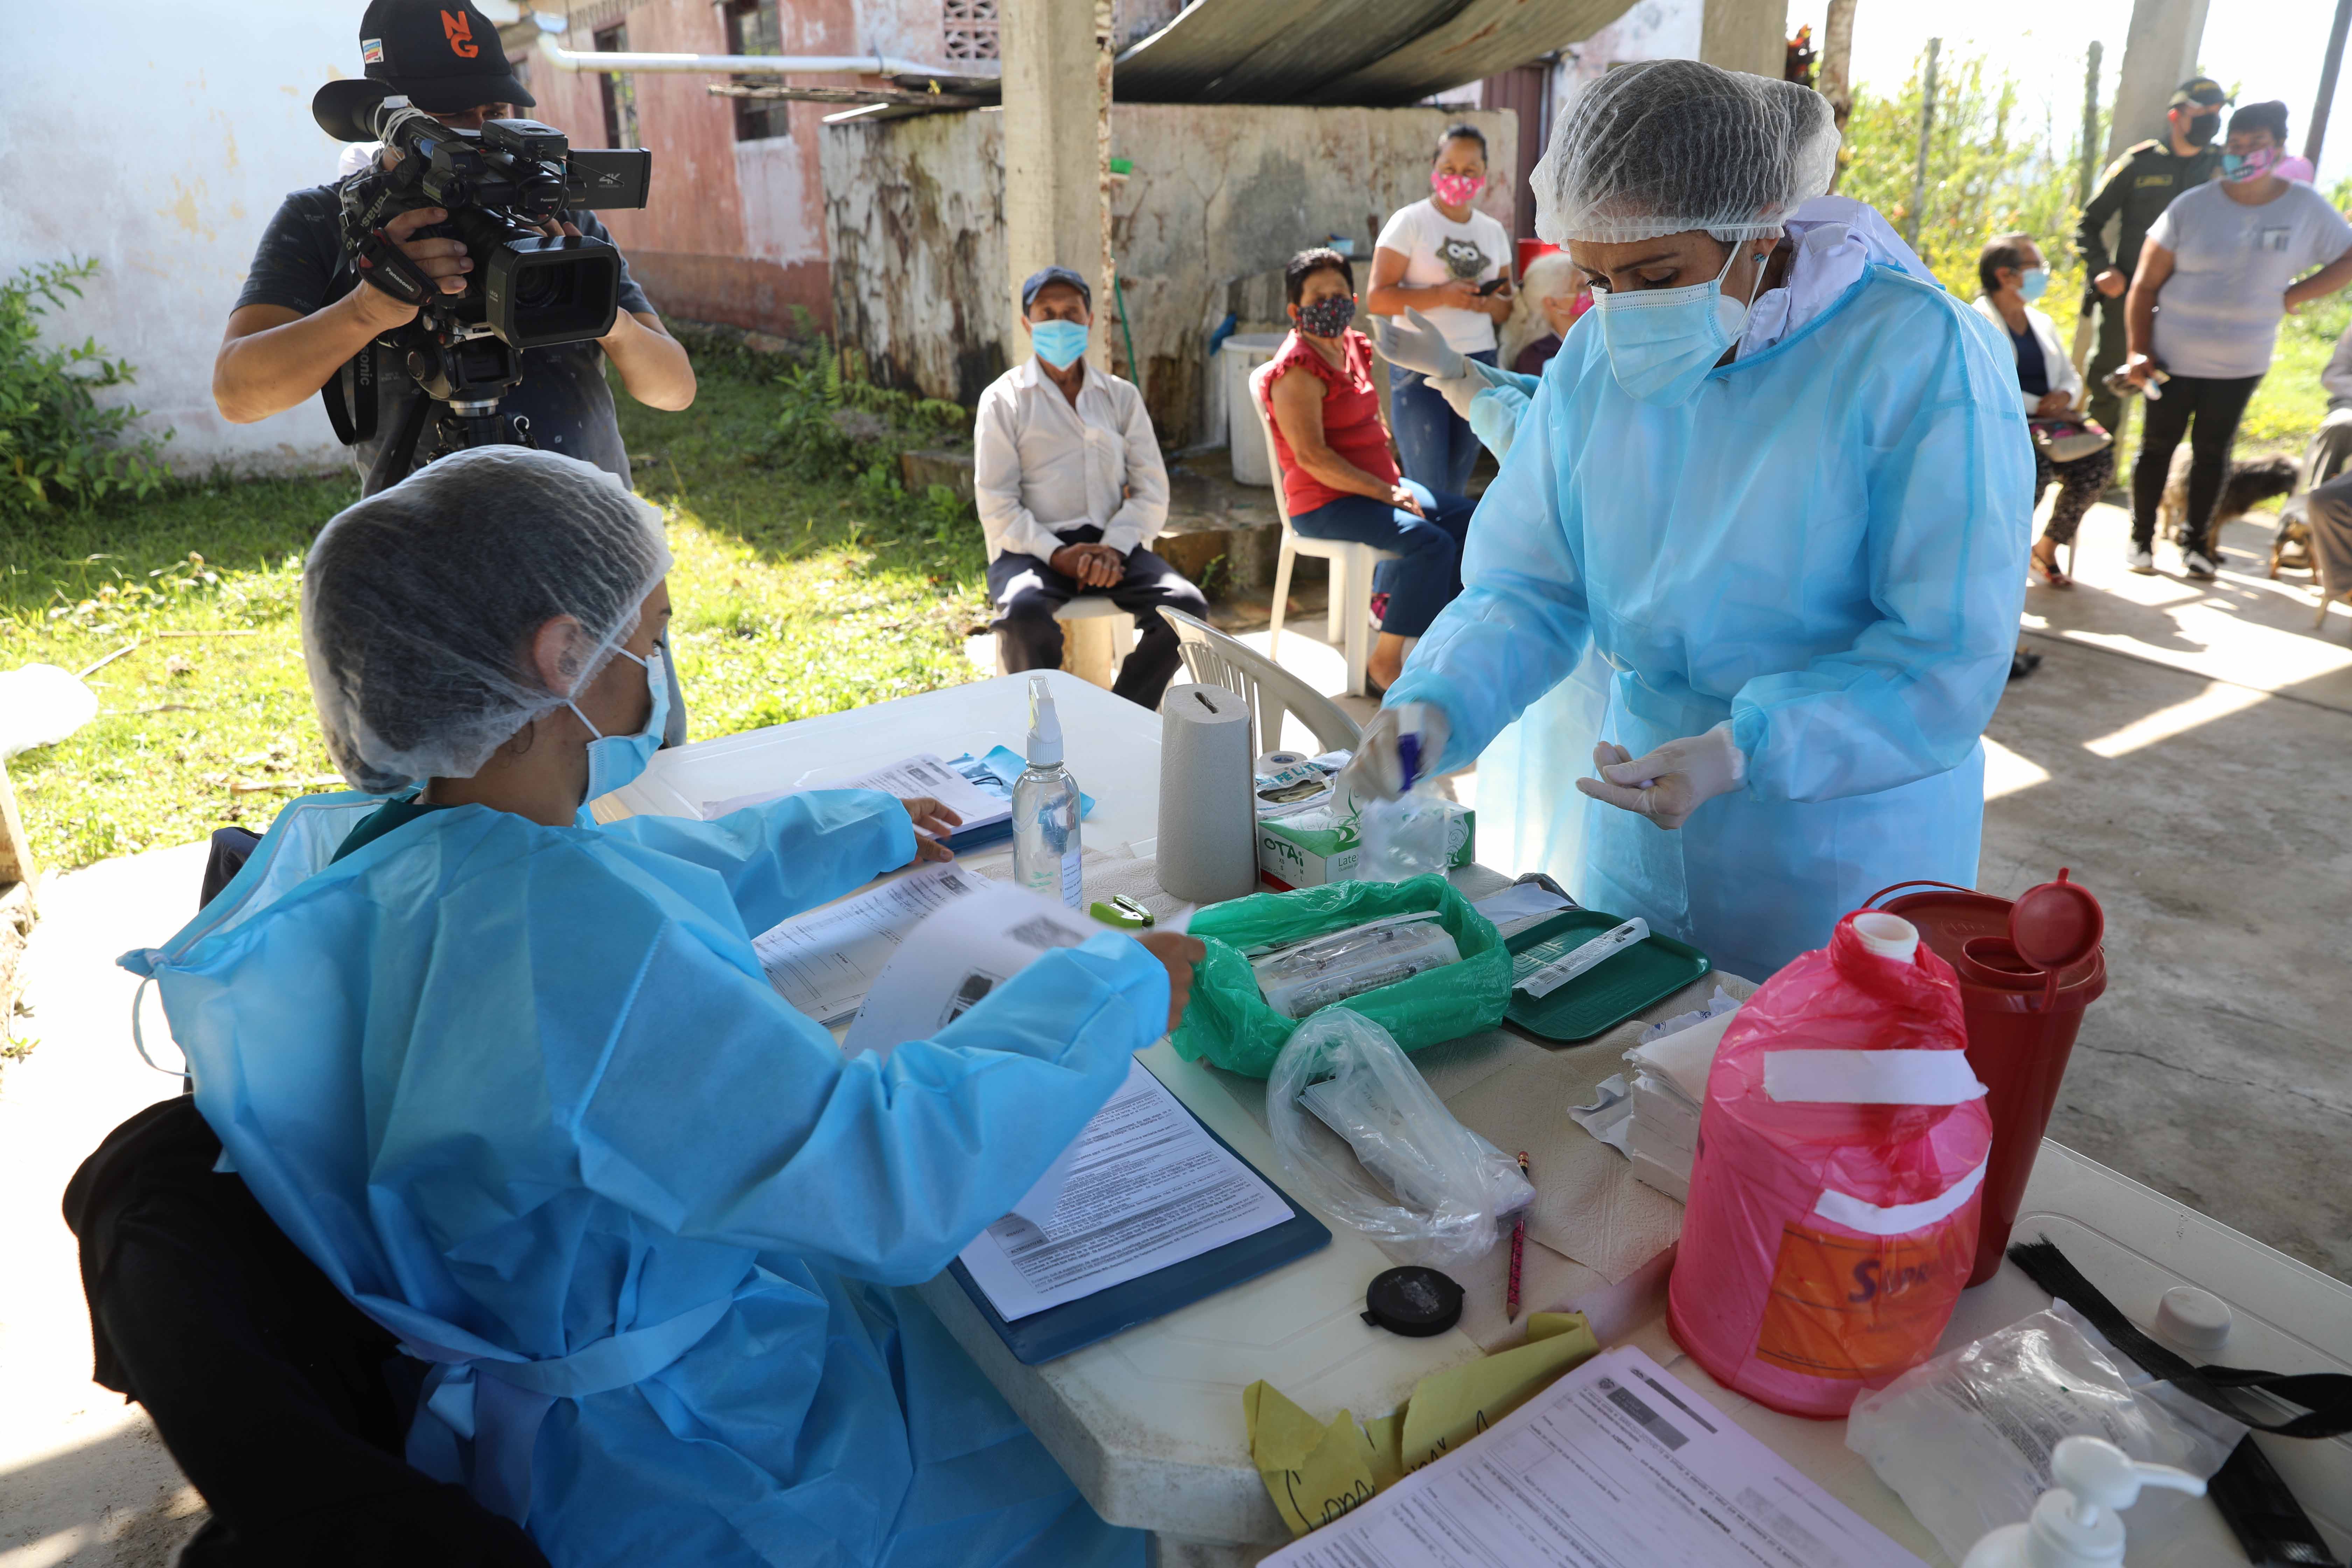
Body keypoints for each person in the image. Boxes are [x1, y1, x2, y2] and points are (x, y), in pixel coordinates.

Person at [122, 447, 1201, 1568]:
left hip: (563, 1373)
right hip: (694, 1467)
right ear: (562, 654)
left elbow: (643, 871)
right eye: (651, 633)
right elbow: (887, 1174)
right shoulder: (579, 944)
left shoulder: (390, 854)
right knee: (1101, 1473)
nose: (659, 668)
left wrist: (851, 829)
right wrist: (1106, 986)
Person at [1340, 60, 2032, 984]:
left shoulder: (1913, 357)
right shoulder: (1594, 361)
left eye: (1657, 273)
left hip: (1834, 840)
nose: (1624, 311)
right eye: (1598, 279)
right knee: (1623, 1069)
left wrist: (1745, 749)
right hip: (1640, 814)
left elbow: (1944, 655)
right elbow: (1533, 585)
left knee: (1794, 1090)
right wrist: (1435, 708)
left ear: (1761, 232)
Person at [213, 0, 696, 496]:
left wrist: (600, 312)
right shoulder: (323, 221)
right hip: (419, 549)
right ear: (389, 118)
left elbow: (675, 389)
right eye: (451, 113)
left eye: (495, 111)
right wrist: (367, 310)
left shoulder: (556, 216)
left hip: (591, 539)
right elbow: (238, 395)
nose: (481, 130)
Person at [2124, 99, 2352, 578]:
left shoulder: (2303, 206)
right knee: (2157, 446)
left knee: (2214, 450)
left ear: (2279, 150)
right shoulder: (2193, 206)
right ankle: (2141, 540)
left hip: (2241, 362)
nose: (2243, 153)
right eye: (2235, 145)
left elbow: (2348, 255)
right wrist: (2138, 349)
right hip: (2171, 355)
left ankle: (2196, 545)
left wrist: (2297, 295)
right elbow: (2144, 285)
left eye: (2256, 145)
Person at [974, 266, 1203, 708]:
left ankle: (1119, 714)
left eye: (1071, 312)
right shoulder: (1004, 399)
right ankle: (1043, 731)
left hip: (1110, 548)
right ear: (1028, 323)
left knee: (1186, 609)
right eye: (1047, 312)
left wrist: (1113, 548)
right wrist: (1057, 554)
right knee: (1023, 616)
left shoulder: (1120, 397)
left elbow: (1152, 489)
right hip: (1032, 550)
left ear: (1090, 320)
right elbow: (997, 502)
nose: (1060, 322)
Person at [1263, 248, 1480, 692]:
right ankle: (1384, 663)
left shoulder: (1352, 346)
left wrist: (1391, 479)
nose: (1331, 304)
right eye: (1318, 296)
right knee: (1430, 544)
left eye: (1339, 293)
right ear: (1295, 310)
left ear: (1354, 298)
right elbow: (1312, 458)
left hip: (1378, 487)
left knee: (1474, 519)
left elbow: (1372, 422)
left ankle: (1434, 641)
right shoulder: (1297, 370)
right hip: (1326, 501)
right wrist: (1387, 492)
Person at [2074, 78, 2229, 438]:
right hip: (2128, 293)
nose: (2211, 120)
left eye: (2217, 113)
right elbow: (2088, 224)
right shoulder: (2139, 163)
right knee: (2110, 379)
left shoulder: (2223, 167)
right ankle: (2097, 469)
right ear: (2177, 115)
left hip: (2191, 298)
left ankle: (2157, 470)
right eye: (2203, 112)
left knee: (2179, 388)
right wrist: (2101, 270)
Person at [1366, 124, 1514, 494]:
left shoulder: (1494, 232)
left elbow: (1507, 309)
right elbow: (1378, 298)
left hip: (1477, 365)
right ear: (1434, 167)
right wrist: (1442, 295)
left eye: (1470, 170)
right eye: (1449, 168)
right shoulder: (1410, 222)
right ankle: (1424, 551)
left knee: (1456, 486)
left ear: (1484, 176)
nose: (1458, 178)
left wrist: (1485, 302)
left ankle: (1448, 553)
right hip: (1420, 364)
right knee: (1427, 487)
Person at [1974, 233, 2110, 589]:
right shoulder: (1978, 319)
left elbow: (2070, 376)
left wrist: (2065, 396)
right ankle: (1997, 558)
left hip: (2052, 425)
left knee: (2098, 463)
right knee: (2034, 468)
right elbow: (1987, 384)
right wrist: (2043, 405)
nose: (2044, 275)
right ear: (2006, 275)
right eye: (2037, 267)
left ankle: (2046, 548)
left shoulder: (2041, 322)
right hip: (2005, 428)